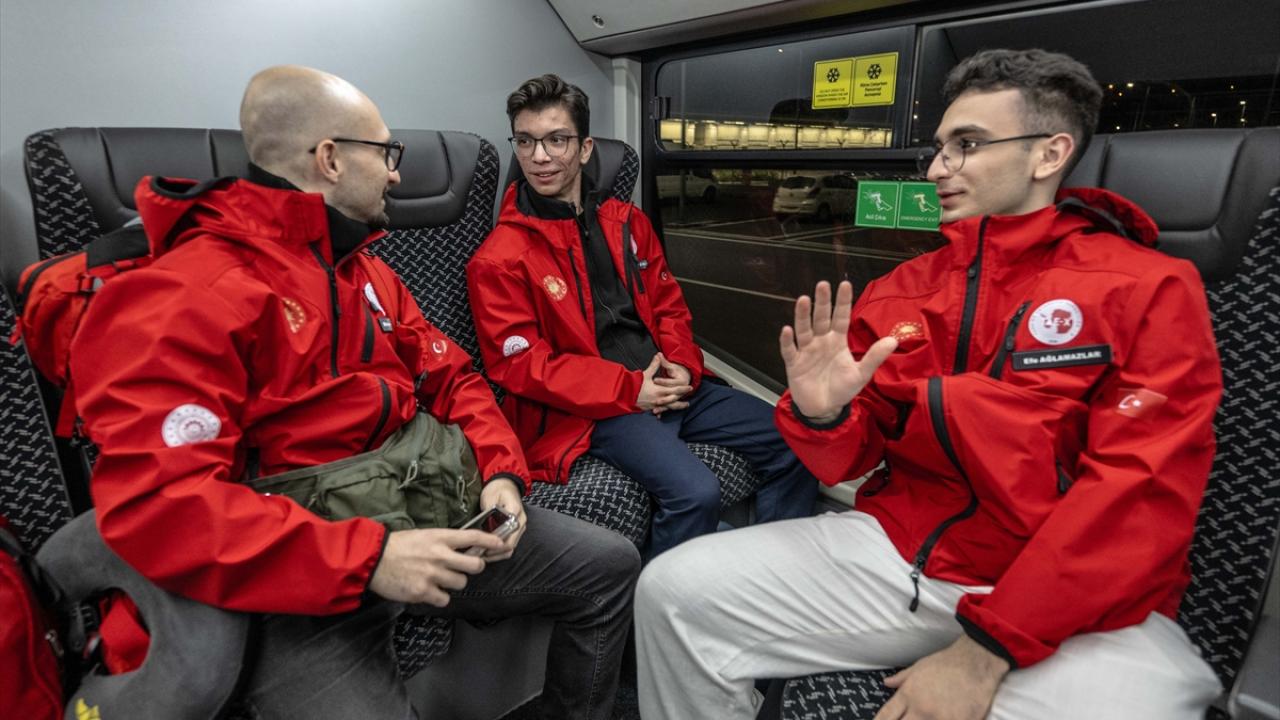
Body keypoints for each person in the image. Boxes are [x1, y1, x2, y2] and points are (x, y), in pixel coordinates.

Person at [634, 48, 1223, 719]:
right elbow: (853, 459)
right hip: (905, 554)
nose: (939, 168)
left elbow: (1135, 496)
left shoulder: (1148, 288)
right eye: (938, 150)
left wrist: (984, 650)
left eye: (967, 145)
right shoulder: (902, 292)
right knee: (673, 592)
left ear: (1049, 153)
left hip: (1073, 591)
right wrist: (824, 417)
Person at [69, 65, 639, 720]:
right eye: (386, 153)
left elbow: (452, 378)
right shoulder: (182, 296)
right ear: (331, 159)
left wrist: (501, 472)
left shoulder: (364, 269)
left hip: (423, 506)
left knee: (608, 566)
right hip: (303, 570)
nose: (396, 172)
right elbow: (161, 506)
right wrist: (370, 559)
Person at [466, 74, 817, 557]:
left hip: (669, 382)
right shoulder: (499, 258)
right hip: (594, 407)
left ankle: (775, 574)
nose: (540, 156)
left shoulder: (627, 223)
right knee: (696, 492)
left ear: (585, 148)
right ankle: (660, 613)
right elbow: (520, 366)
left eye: (556, 140)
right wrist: (631, 389)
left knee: (798, 437)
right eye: (525, 141)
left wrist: (681, 367)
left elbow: (670, 307)